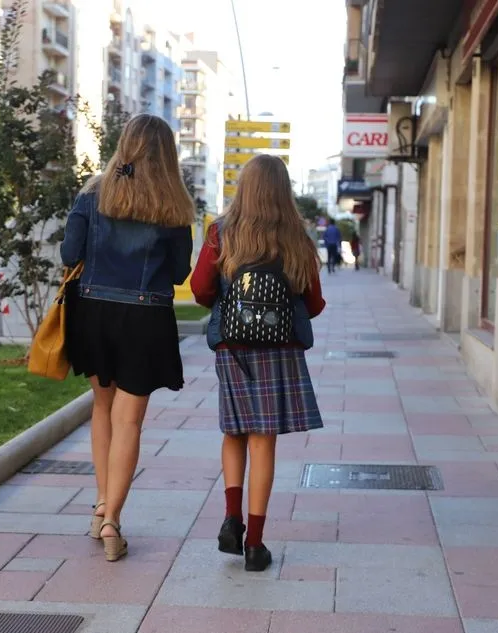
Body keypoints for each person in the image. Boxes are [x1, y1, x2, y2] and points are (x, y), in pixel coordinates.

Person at [60, 114, 195, 562]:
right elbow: (178, 273)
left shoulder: (92, 193)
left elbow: (69, 253)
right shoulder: (174, 202)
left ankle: (102, 505)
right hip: (145, 319)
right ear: (167, 154)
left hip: (93, 313)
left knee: (102, 406)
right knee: (129, 421)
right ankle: (113, 520)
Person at [190, 154, 326, 572]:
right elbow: (314, 303)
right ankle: (255, 545)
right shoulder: (296, 237)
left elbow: (200, 289)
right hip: (279, 349)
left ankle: (231, 519)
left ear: (244, 188)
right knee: (263, 441)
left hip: (233, 348)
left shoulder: (221, 232)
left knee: (234, 431)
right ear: (283, 191)